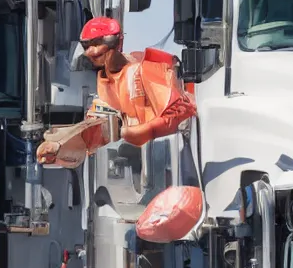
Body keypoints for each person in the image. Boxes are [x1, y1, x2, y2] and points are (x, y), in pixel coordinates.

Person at [37, 16, 197, 167]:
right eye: (87, 45)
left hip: (178, 153)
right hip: (146, 162)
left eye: (99, 42)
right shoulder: (105, 84)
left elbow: (179, 114)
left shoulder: (145, 67)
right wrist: (59, 146)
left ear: (117, 42)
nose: (92, 51)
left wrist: (131, 131)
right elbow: (96, 131)